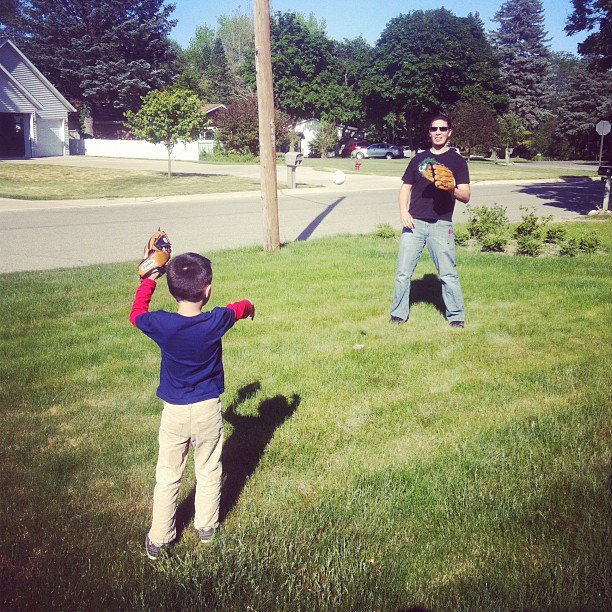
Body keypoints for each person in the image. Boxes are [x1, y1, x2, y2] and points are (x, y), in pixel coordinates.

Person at [129, 252, 255, 560]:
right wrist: (250, 307)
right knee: (209, 467)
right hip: (208, 409)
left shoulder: (162, 324)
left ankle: (159, 538)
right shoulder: (216, 320)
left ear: (171, 290)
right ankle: (207, 527)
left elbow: (136, 315)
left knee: (168, 474)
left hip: (174, 412)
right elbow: (238, 308)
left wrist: (148, 280)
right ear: (207, 290)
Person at [390, 114, 470, 327]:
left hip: (441, 225)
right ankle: (398, 314)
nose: (438, 132)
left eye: (442, 129)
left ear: (449, 132)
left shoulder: (457, 161)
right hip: (414, 223)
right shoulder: (418, 159)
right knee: (403, 273)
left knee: (448, 274)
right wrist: (403, 212)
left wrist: (451, 187)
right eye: (434, 128)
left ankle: (456, 317)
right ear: (429, 132)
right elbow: (405, 187)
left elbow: (466, 196)